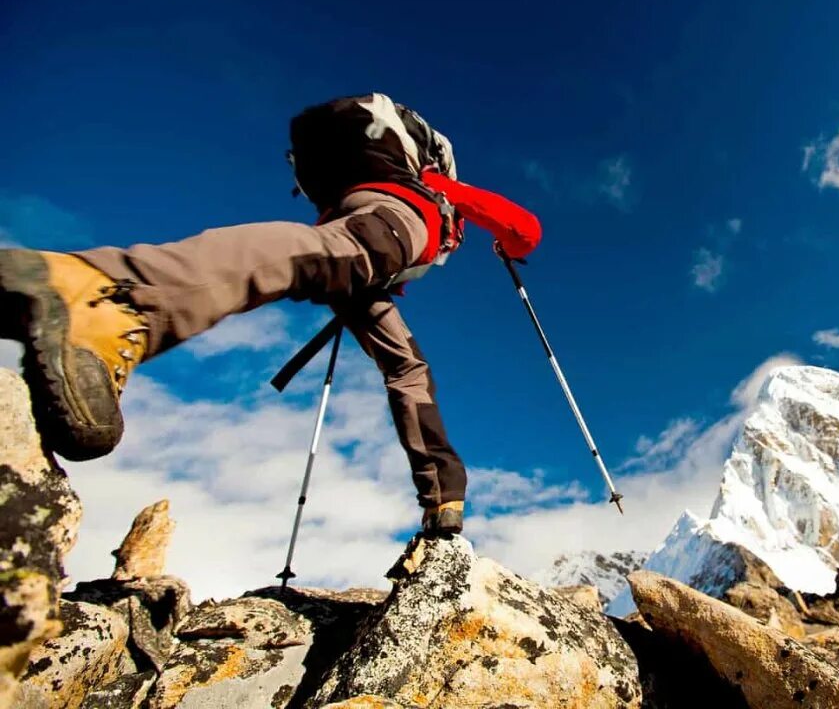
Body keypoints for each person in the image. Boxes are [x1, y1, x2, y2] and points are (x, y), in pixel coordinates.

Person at [0, 93, 541, 536]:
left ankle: (443, 499)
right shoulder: (432, 188)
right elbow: (523, 226)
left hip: (361, 253)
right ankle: (114, 297)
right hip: (390, 224)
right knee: (336, 259)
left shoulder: (363, 185)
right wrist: (510, 246)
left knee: (406, 365)